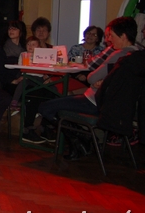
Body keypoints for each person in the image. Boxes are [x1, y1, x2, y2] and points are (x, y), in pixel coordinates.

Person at [38, 17, 140, 159]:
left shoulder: (118, 55)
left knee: (45, 107)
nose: (109, 40)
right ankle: (84, 140)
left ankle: (82, 139)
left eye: (112, 36)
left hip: (95, 101)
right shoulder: (138, 54)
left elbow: (91, 78)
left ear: (123, 36)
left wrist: (100, 81)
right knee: (64, 99)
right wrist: (105, 81)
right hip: (119, 107)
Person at [0, 20, 27, 97]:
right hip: (9, 82)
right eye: (9, 28)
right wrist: (12, 81)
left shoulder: (25, 49)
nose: (11, 31)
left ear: (21, 32)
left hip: (24, 80)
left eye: (14, 29)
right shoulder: (2, 48)